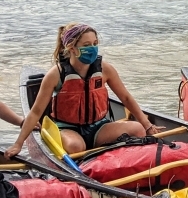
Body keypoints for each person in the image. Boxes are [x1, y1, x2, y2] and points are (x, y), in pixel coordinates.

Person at [5, 23, 159, 158]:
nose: (92, 48)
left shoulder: (105, 69)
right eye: (86, 45)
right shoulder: (56, 74)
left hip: (99, 127)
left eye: (95, 43)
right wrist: (18, 144)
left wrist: (147, 125)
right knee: (76, 147)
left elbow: (125, 98)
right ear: (72, 48)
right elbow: (36, 112)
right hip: (68, 128)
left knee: (138, 130)